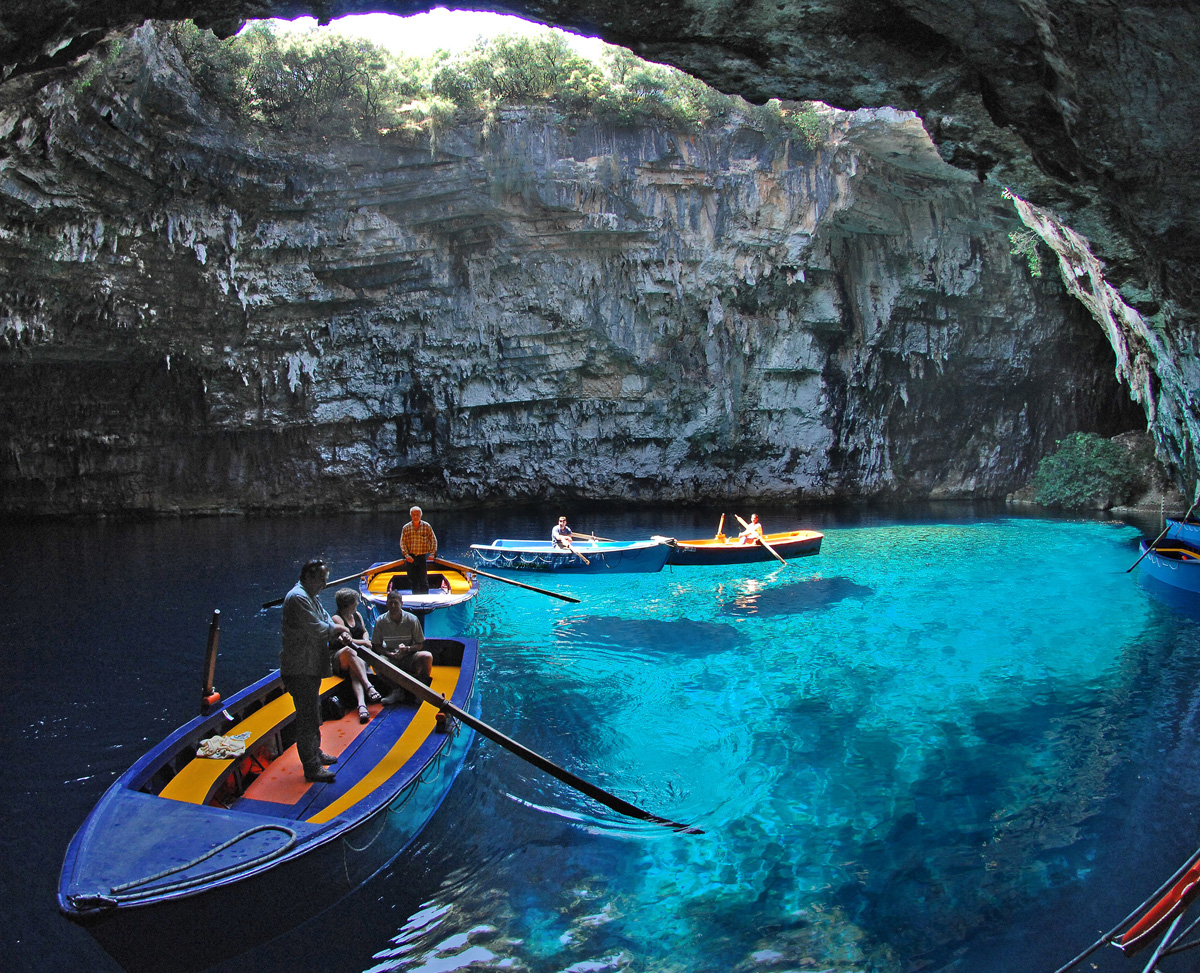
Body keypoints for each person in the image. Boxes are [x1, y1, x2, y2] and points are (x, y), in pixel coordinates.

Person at [280, 559, 351, 783]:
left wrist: (338, 630)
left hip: (311, 666)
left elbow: (325, 619)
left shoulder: (311, 596)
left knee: (314, 712)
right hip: (300, 668)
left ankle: (316, 752)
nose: (324, 584)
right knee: (307, 718)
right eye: (321, 580)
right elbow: (318, 629)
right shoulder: (298, 598)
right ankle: (311, 767)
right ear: (309, 577)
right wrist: (337, 629)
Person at [371, 589, 433, 705]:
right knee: (376, 662)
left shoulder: (412, 619)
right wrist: (390, 654)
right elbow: (377, 646)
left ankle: (421, 689)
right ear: (386, 604)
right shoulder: (380, 621)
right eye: (390, 603)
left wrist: (408, 649)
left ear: (401, 604)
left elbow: (420, 644)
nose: (393, 606)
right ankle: (396, 689)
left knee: (427, 656)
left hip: (409, 655)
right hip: (391, 657)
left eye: (396, 603)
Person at [333, 588, 383, 723]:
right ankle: (368, 686)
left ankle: (362, 705)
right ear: (348, 604)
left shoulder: (357, 615)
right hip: (341, 655)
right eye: (355, 602)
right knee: (351, 653)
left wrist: (365, 640)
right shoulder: (337, 618)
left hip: (357, 655)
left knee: (354, 668)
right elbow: (348, 641)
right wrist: (365, 643)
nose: (357, 604)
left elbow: (365, 631)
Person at [400, 505, 437, 594]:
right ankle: (415, 599)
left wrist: (432, 553)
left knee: (423, 580)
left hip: (421, 557)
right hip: (410, 558)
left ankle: (425, 599)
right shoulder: (406, 528)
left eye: (418, 514)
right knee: (413, 581)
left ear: (421, 515)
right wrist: (406, 555)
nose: (416, 517)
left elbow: (433, 540)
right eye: (414, 515)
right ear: (411, 516)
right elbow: (402, 543)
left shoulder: (426, 526)